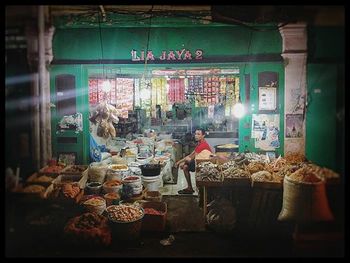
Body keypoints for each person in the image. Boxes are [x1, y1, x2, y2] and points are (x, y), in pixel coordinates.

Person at [175, 128, 213, 194]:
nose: (196, 135)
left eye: (198, 134)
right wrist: (182, 162)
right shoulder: (200, 143)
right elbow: (191, 154)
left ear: (203, 135)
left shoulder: (203, 145)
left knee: (185, 165)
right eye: (195, 134)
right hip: (199, 162)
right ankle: (190, 188)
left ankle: (190, 188)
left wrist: (178, 162)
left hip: (204, 164)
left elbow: (190, 157)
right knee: (185, 166)